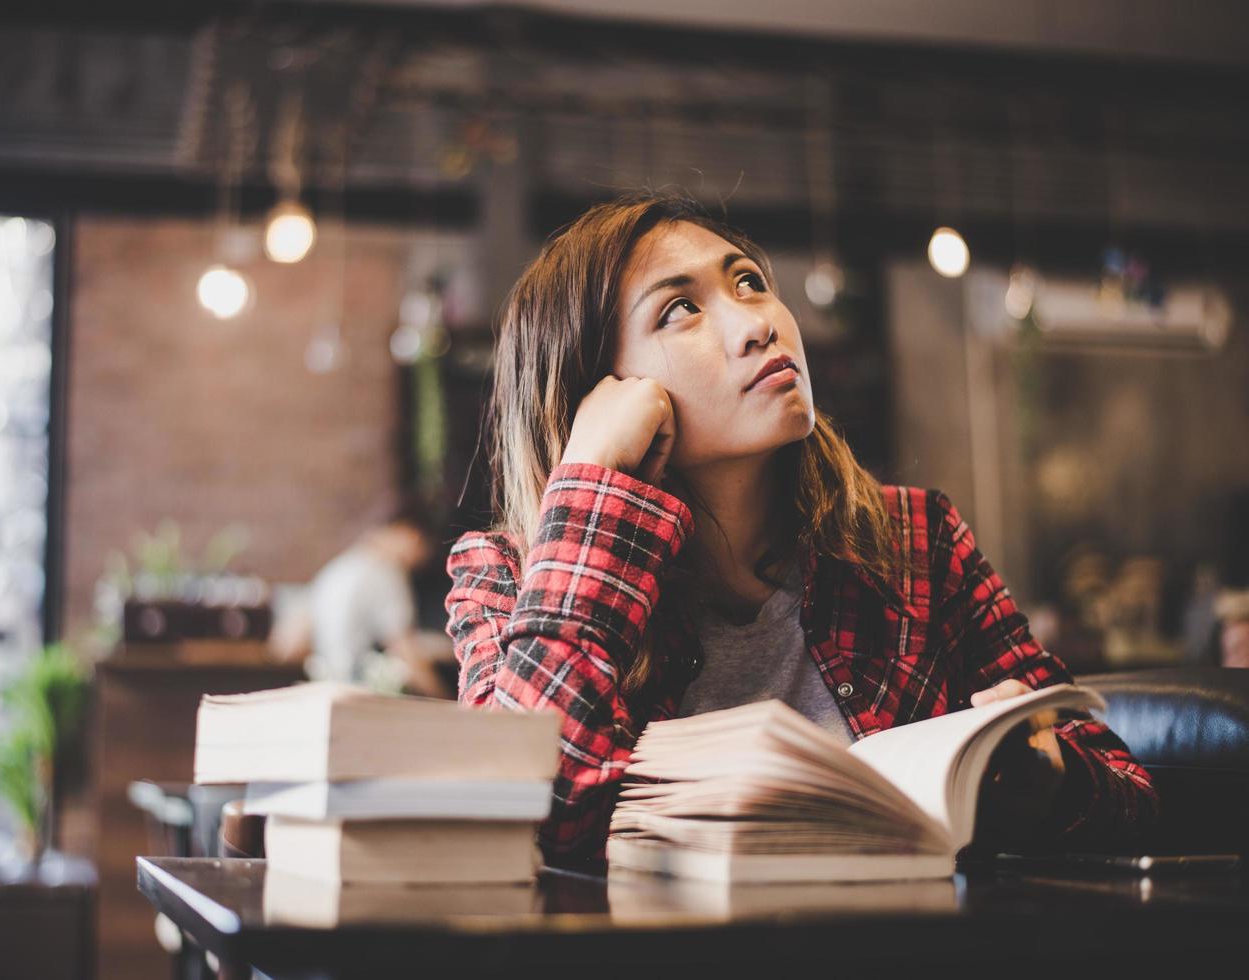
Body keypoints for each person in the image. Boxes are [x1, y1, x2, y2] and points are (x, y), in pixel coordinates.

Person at [445, 192, 1158, 870]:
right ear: (596, 389)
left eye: (749, 282)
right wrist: (594, 484)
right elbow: (526, 825)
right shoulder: (507, 574)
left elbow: (1133, 799)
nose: (757, 324)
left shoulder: (915, 539)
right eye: (680, 310)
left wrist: (1049, 783)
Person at [273, 514, 454, 698]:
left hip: (325, 686)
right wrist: (445, 699)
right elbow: (404, 650)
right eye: (422, 551)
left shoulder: (340, 566)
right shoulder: (386, 572)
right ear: (411, 536)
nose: (419, 562)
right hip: (358, 692)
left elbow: (289, 643)